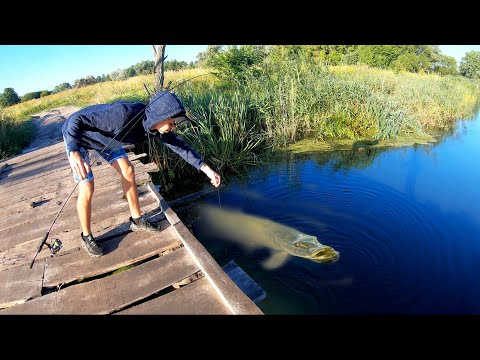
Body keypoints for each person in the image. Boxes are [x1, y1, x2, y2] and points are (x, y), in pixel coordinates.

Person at [62, 90, 221, 257]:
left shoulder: (155, 128)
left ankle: (136, 220)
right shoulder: (122, 115)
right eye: (172, 123)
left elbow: (181, 148)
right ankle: (86, 236)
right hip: (77, 135)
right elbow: (75, 120)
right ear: (161, 115)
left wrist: (207, 170)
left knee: (128, 169)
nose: (174, 128)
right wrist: (73, 151)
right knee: (87, 186)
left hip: (106, 140)